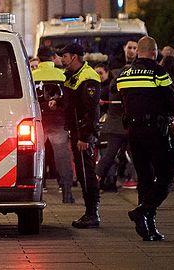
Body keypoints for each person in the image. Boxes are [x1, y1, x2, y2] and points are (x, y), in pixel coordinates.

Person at [115, 36, 174, 241]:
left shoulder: (124, 75)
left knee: (144, 177)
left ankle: (147, 227)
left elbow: (123, 99)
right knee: (168, 175)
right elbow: (173, 103)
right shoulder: (159, 73)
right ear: (154, 52)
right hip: (155, 131)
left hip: (133, 132)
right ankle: (144, 210)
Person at [57, 43, 102, 227]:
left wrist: (84, 137)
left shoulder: (88, 77)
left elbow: (91, 112)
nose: (62, 59)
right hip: (76, 132)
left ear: (74, 56)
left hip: (83, 134)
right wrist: (58, 102)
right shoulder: (73, 76)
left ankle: (92, 213)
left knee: (86, 173)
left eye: (65, 56)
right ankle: (90, 212)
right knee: (83, 173)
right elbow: (72, 103)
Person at [32, 46, 73, 203]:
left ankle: (37, 192)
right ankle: (67, 193)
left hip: (38, 122)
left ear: (39, 59)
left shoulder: (32, 76)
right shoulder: (62, 75)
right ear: (53, 57)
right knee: (62, 157)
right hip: (58, 121)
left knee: (36, 156)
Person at [95, 61, 135, 192]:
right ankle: (134, 178)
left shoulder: (114, 84)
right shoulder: (127, 86)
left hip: (113, 127)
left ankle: (96, 177)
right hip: (125, 126)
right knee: (133, 154)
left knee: (109, 155)